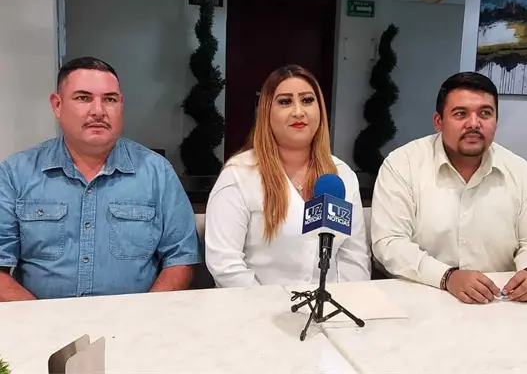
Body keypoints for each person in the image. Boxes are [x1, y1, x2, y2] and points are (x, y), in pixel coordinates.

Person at [0, 56, 202, 301]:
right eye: (83, 98)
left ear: (121, 104)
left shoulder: (157, 172)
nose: (98, 111)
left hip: (135, 320)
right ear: (57, 105)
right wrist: (43, 319)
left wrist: (143, 316)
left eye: (109, 99)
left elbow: (181, 259)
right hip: (40, 320)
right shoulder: (16, 173)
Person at [370, 72, 527, 304]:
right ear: (438, 122)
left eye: (485, 113)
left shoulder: (521, 172)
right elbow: (389, 243)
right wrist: (446, 277)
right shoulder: (403, 164)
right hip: (420, 300)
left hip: (500, 304)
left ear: (496, 121)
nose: (474, 123)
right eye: (460, 114)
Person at [204, 64, 371, 287]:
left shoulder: (342, 175)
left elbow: (354, 258)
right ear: (266, 112)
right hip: (257, 304)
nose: (298, 112)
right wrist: (272, 304)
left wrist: (344, 301)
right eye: (285, 102)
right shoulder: (239, 175)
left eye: (307, 100)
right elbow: (225, 264)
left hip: (330, 304)